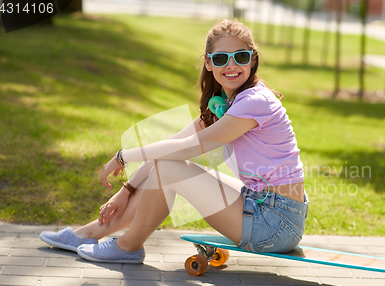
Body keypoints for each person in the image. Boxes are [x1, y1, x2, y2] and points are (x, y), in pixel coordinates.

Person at [39, 19, 308, 263]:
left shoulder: (254, 102)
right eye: (221, 58)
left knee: (169, 169)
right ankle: (88, 233)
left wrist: (123, 156)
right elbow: (176, 142)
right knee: (166, 166)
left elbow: (185, 149)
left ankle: (128, 246)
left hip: (275, 223)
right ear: (208, 62)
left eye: (240, 56)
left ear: (252, 60)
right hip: (262, 205)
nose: (231, 65)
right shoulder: (228, 103)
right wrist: (127, 189)